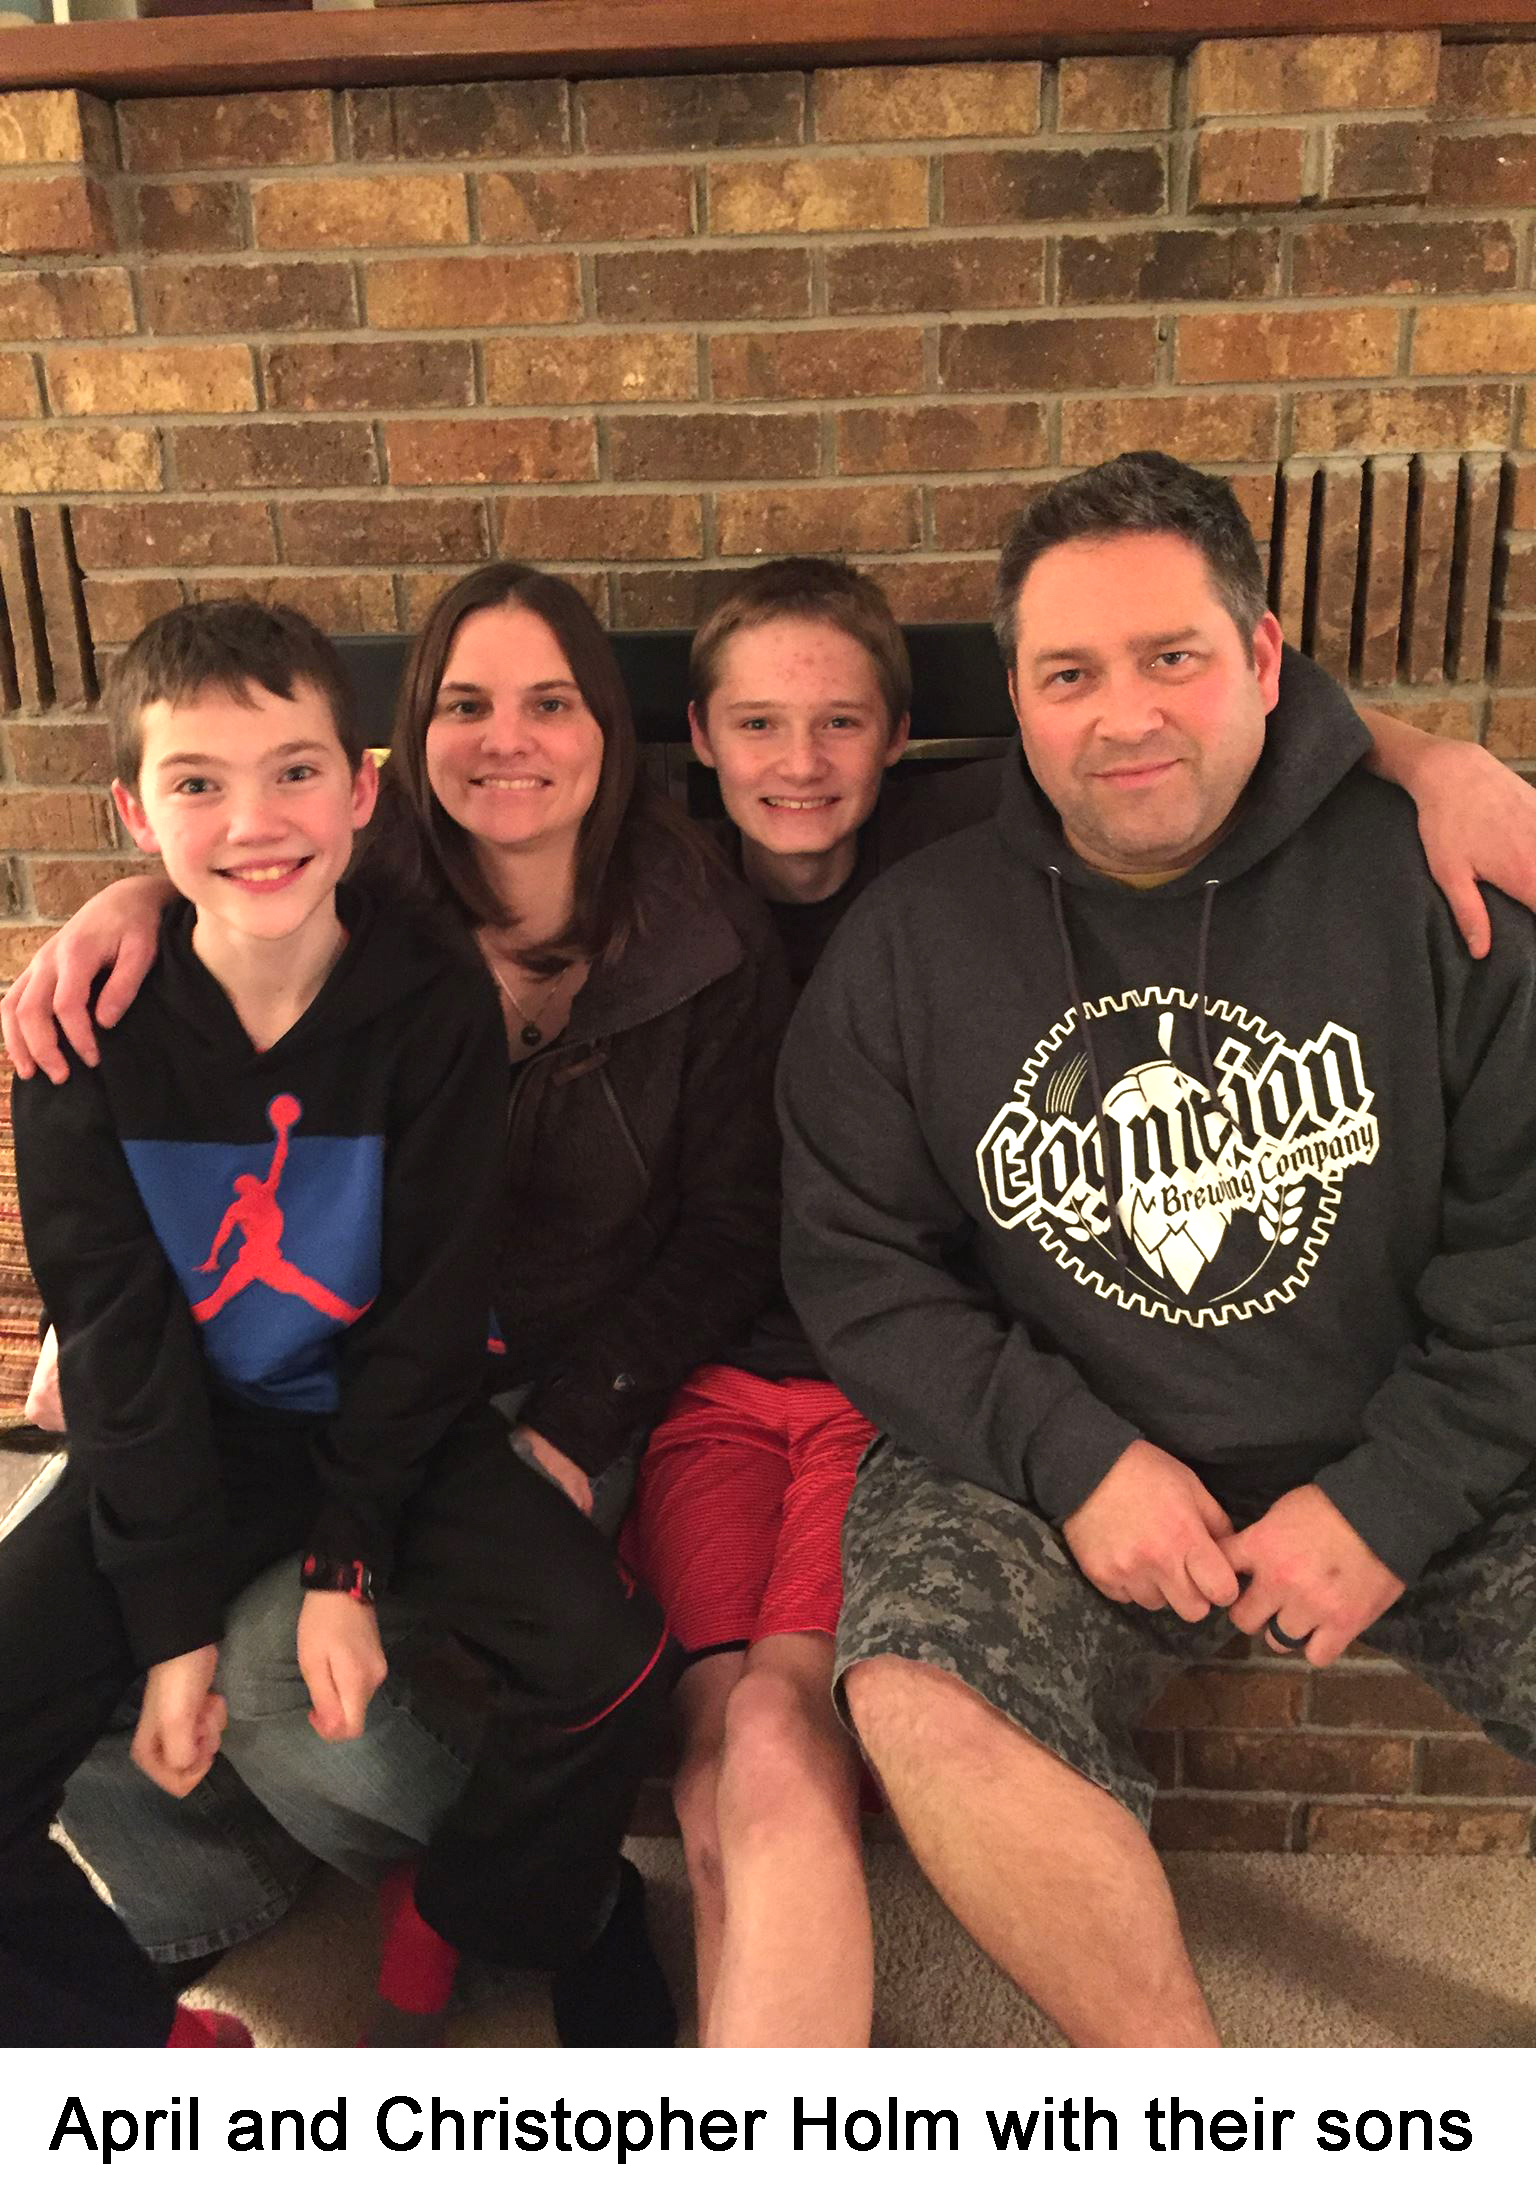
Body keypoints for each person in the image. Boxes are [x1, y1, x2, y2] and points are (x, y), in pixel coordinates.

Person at [10, 555, 1536, 2047]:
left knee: (726, 1722)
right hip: (582, 1384)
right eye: (754, 725)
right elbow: (236, 845)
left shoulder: (948, 831)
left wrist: (1430, 756)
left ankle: (543, 1916)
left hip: (722, 1380)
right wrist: (130, 904)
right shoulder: (385, 901)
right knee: (326, 1688)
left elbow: (1186, 734)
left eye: (553, 703)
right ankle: (227, 1974)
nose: (798, 763)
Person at [776, 453, 1536, 2048]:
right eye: (1070, 674)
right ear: (1019, 699)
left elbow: (1526, 1245)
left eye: (1173, 656)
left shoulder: (1443, 879)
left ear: (1266, 661)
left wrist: (1395, 1493)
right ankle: (1192, 2114)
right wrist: (1069, 1455)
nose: (1123, 714)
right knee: (915, 1688)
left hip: (1437, 1436)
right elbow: (860, 1265)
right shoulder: (912, 937)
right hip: (1070, 1445)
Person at [7, 564, 785, 2046]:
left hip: (406, 1410)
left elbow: (434, 1299)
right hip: (193, 1434)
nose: (252, 819)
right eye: (197, 786)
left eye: (294, 772)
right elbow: (119, 1333)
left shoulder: (439, 990)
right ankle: (117, 2030)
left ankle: (517, 1905)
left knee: (615, 1665)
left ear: (355, 791)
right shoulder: (83, 1028)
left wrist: (347, 1559)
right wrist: (170, 1618)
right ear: (134, 810)